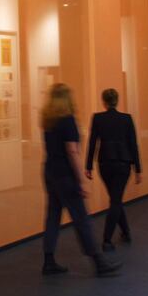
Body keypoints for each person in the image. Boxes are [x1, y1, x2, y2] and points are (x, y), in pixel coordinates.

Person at [41, 83, 121, 277]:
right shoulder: (67, 120)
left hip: (50, 172)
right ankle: (99, 262)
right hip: (66, 175)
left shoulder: (48, 121)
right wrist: (82, 181)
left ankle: (48, 260)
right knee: (81, 219)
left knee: (52, 216)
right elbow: (72, 151)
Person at [85, 88, 142, 252]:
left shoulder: (98, 118)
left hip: (105, 164)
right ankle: (107, 240)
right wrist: (138, 169)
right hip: (123, 163)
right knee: (116, 200)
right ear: (117, 101)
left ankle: (126, 232)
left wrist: (88, 166)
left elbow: (92, 143)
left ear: (104, 102)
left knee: (115, 199)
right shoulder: (126, 119)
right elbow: (133, 145)